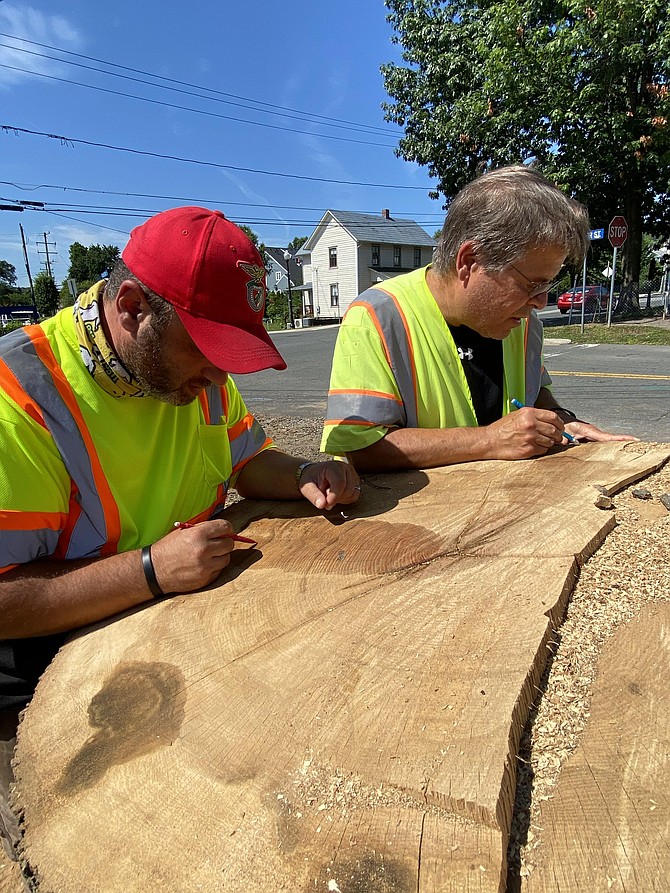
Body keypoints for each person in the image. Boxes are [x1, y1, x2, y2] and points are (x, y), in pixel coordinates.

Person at [0, 207, 359, 862]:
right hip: (50, 694)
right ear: (133, 306)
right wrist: (149, 570)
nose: (221, 379)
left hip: (171, 638)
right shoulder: (19, 401)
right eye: (209, 351)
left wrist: (305, 471)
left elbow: (250, 459)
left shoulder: (191, 378)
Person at [320, 165, 637, 470]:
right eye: (531, 284)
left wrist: (559, 419)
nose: (541, 302)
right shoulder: (377, 316)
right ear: (469, 262)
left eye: (549, 284)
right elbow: (360, 449)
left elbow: (533, 392)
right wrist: (490, 439)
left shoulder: (523, 323)